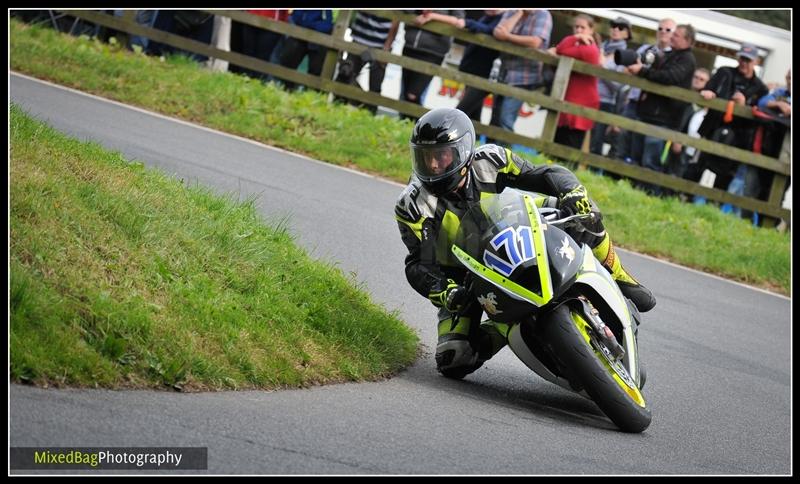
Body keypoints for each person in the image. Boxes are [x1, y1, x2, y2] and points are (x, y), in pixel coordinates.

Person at [395, 108, 656, 377]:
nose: (434, 166)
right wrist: (445, 290)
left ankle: (620, 275)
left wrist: (571, 191)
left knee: (583, 210)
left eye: (441, 155)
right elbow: (420, 264)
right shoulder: (413, 205)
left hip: (513, 230)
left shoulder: (491, 159)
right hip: (467, 276)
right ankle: (504, 326)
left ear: (462, 151)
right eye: (425, 158)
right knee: (454, 358)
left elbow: (544, 174)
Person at [692, 42, 768, 216]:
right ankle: (685, 199)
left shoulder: (760, 88)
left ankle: (713, 212)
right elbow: (708, 89)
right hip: (712, 131)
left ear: (755, 61)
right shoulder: (724, 73)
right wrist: (708, 92)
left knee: (724, 179)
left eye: (748, 60)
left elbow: (757, 119)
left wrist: (744, 106)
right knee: (697, 168)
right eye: (742, 58)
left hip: (737, 140)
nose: (744, 63)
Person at [626, 24, 697, 196]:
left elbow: (669, 77)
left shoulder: (687, 59)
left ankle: (648, 195)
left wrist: (642, 71)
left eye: (677, 35)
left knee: (650, 161)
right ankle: (633, 193)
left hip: (663, 118)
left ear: (687, 40)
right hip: (648, 113)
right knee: (636, 156)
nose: (672, 37)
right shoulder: (669, 54)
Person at [616, 17, 676, 165]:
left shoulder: (673, 57)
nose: (663, 32)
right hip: (633, 101)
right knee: (624, 140)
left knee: (646, 149)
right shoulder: (645, 50)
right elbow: (626, 70)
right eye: (660, 29)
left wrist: (642, 71)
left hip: (653, 108)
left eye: (668, 30)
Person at [492, 9, 553, 135]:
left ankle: (506, 152)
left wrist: (507, 37)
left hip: (525, 76)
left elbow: (535, 42)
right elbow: (497, 32)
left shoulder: (543, 14)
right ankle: (491, 152)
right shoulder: (513, 12)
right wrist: (519, 13)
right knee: (496, 117)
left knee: (506, 119)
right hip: (504, 71)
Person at [549, 14, 602, 150]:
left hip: (582, 101)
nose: (578, 30)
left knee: (570, 146)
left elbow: (560, 49)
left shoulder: (590, 49)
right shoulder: (578, 46)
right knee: (557, 141)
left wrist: (574, 38)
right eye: (576, 27)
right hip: (569, 98)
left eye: (582, 28)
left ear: (591, 30)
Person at [399, 10, 465, 118]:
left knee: (413, 94)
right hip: (410, 46)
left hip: (433, 52)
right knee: (405, 92)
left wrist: (432, 16)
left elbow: (459, 21)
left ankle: (419, 126)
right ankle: (407, 124)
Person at [333, 12, 399, 114]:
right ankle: (336, 109)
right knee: (345, 75)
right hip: (358, 39)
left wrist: (387, 47)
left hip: (380, 45)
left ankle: (370, 114)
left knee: (375, 86)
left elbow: (397, 18)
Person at [590, 16, 632, 157]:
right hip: (588, 96)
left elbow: (619, 85)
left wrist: (602, 69)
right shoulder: (601, 47)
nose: (615, 29)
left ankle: (592, 172)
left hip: (606, 102)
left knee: (596, 142)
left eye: (620, 27)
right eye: (613, 25)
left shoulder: (626, 55)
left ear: (627, 33)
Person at [454, 10, 504, 122]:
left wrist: (468, 23)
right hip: (472, 70)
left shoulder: (503, 19)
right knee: (473, 114)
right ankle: (473, 138)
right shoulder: (487, 17)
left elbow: (490, 30)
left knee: (460, 112)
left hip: (486, 74)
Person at [278, 10, 334, 91]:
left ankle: (309, 94)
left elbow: (327, 25)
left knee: (317, 70)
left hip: (319, 39)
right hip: (300, 34)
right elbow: (296, 17)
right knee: (287, 60)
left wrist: (309, 24)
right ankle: (287, 88)